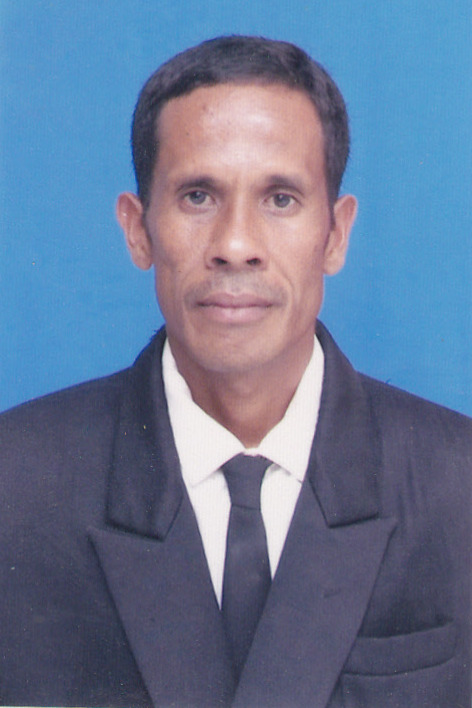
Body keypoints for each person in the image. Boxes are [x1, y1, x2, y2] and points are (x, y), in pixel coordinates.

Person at [0, 35, 470, 708]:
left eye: (280, 199)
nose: (236, 245)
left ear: (336, 234)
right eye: (198, 196)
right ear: (138, 229)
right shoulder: (15, 485)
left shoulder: (457, 487)